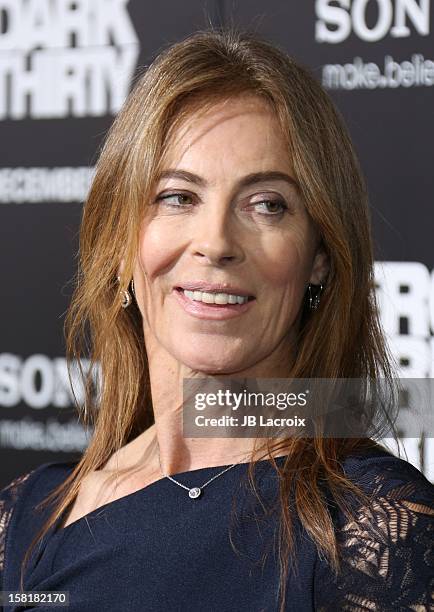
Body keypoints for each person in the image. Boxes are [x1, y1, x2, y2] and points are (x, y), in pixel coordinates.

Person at [1, 28, 433, 612]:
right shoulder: (24, 516)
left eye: (267, 204)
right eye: (177, 196)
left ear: (320, 258)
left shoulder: (370, 531)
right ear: (121, 243)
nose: (216, 243)